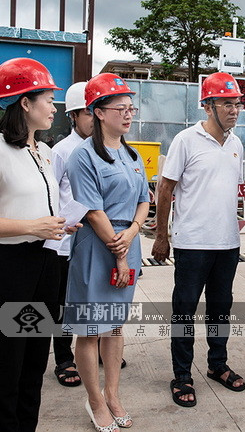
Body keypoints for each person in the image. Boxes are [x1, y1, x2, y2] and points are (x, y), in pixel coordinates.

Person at [152, 72, 245, 408]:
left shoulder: (235, 143)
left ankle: (217, 364)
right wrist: (162, 236)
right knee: (184, 310)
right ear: (208, 106)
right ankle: (181, 376)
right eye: (226, 103)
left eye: (237, 103)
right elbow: (165, 189)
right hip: (192, 244)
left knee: (221, 309)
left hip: (228, 243)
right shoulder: (186, 140)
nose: (234, 110)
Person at [64, 73, 149, 431]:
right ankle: (95, 400)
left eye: (131, 108)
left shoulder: (131, 153)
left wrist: (130, 234)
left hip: (126, 242)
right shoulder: (82, 156)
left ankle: (113, 394)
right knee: (89, 329)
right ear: (98, 112)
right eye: (121, 108)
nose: (128, 114)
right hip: (97, 247)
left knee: (114, 325)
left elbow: (145, 200)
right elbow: (93, 210)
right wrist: (118, 249)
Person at [0, 57, 67, 432]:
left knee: (34, 363)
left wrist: (55, 226)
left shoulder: (43, 152)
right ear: (25, 102)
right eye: (47, 99)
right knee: (9, 363)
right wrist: (33, 226)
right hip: (12, 269)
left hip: (45, 266)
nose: (53, 107)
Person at [45, 82, 92, 387]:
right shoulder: (61, 151)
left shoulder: (106, 149)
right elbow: (50, 195)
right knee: (62, 305)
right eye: (87, 112)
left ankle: (97, 349)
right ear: (74, 116)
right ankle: (64, 358)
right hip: (65, 242)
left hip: (95, 241)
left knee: (93, 300)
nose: (93, 117)